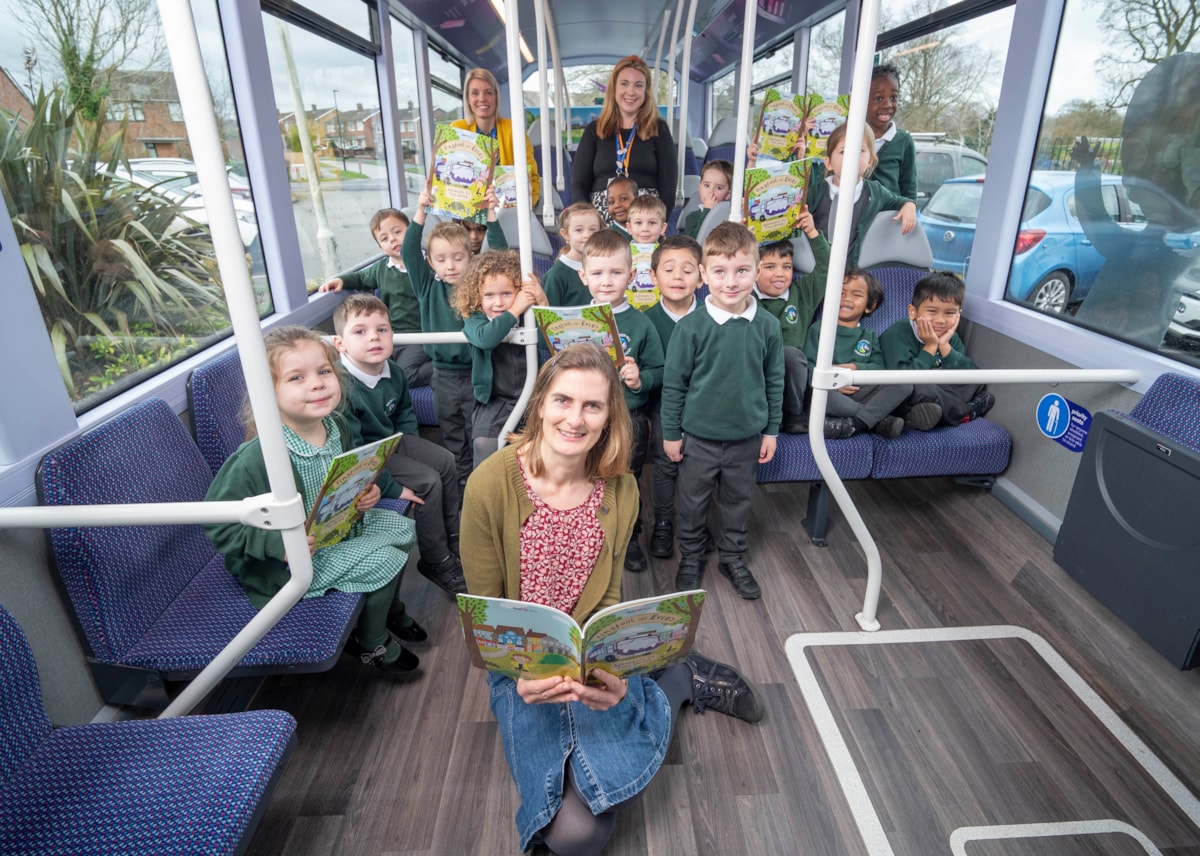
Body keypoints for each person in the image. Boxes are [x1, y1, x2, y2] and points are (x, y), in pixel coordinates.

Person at [460, 343, 765, 856]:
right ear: (539, 404)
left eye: (592, 406)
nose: (574, 419)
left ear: (608, 417)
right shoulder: (489, 485)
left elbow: (609, 597)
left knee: (584, 825)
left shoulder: (621, 488)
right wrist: (523, 678)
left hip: (590, 658)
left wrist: (615, 680)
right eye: (562, 400)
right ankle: (676, 678)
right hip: (524, 663)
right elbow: (489, 613)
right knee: (576, 833)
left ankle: (672, 679)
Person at [204, 326, 421, 675]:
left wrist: (368, 492)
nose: (317, 384)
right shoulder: (257, 456)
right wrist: (280, 545)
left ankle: (387, 609)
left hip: (339, 531)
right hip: (292, 562)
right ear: (267, 392)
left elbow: (349, 474)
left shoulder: (337, 426)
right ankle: (372, 642)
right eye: (296, 378)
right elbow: (218, 522)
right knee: (385, 560)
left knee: (404, 528)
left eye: (323, 372)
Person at [661, 222, 784, 600]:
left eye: (742, 271)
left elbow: (774, 380)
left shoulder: (767, 326)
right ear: (703, 275)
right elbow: (675, 384)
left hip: (746, 438)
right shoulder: (691, 327)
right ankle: (692, 556)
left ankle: (732, 557)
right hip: (698, 438)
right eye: (719, 272)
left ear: (757, 269)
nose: (731, 282)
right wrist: (671, 434)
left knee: (737, 502)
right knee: (693, 503)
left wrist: (772, 431)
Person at [332, 294, 467, 599]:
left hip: (391, 443)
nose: (374, 338)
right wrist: (391, 488)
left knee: (445, 460)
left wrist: (412, 444)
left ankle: (455, 541)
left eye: (382, 329)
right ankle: (436, 560)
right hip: (365, 455)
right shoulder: (342, 388)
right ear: (341, 344)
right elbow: (352, 453)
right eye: (360, 331)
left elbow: (404, 412)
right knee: (428, 481)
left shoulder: (393, 372)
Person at [404, 181, 507, 491]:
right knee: (452, 434)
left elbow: (501, 254)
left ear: (470, 256)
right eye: (441, 259)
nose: (450, 266)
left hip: (477, 371)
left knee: (477, 431)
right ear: (431, 262)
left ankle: (481, 487)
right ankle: (462, 487)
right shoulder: (427, 286)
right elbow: (409, 250)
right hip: (443, 375)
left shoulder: (478, 283)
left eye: (458, 258)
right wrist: (421, 211)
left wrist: (491, 214)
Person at [579, 230, 664, 571]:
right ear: (584, 276)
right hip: (584, 416)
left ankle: (629, 537)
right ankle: (589, 536)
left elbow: (660, 369)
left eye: (616, 273)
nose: (606, 281)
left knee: (626, 478)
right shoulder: (571, 319)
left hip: (628, 415)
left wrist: (641, 378)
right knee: (584, 475)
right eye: (597, 273)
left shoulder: (641, 324)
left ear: (631, 276)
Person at [318, 208, 431, 389]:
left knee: (407, 376)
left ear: (411, 232)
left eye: (397, 232)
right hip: (391, 336)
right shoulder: (380, 269)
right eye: (384, 238)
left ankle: (442, 368)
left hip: (421, 336)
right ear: (380, 247)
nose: (392, 239)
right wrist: (341, 280)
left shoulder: (430, 263)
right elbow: (360, 278)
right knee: (371, 367)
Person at [455, 250, 547, 466]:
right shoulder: (474, 319)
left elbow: (548, 340)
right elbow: (486, 339)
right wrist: (514, 309)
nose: (498, 303)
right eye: (489, 295)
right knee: (485, 444)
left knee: (536, 448)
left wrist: (541, 300)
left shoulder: (528, 315)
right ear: (477, 296)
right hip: (496, 399)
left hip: (533, 394)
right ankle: (483, 491)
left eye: (507, 294)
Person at [801, 269, 915, 439]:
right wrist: (834, 381)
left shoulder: (868, 336)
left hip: (860, 390)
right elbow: (808, 366)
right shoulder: (819, 329)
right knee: (825, 397)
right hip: (830, 392)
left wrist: (855, 368)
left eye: (856, 295)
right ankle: (878, 420)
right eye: (841, 292)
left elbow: (879, 368)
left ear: (870, 305)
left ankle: (855, 424)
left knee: (904, 384)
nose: (846, 298)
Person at [644, 234, 704, 559]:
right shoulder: (647, 321)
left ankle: (696, 523)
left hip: (701, 409)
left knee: (700, 464)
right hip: (662, 409)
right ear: (653, 277)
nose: (678, 277)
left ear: (701, 275)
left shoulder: (711, 319)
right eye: (669, 269)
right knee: (666, 464)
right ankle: (664, 522)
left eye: (687, 269)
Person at [879, 271, 994, 426]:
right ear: (913, 312)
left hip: (938, 387)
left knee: (976, 379)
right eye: (932, 311)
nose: (940, 320)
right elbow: (902, 379)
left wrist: (945, 346)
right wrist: (931, 347)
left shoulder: (949, 336)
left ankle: (921, 415)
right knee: (921, 389)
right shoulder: (897, 334)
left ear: (958, 315)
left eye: (950, 313)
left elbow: (967, 374)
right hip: (905, 388)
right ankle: (965, 412)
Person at [572, 55, 678, 221]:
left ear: (646, 91)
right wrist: (587, 221)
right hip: (601, 217)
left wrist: (657, 222)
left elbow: (668, 186)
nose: (630, 92)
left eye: (638, 85)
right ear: (614, 88)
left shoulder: (659, 129)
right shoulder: (595, 130)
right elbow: (579, 184)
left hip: (645, 218)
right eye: (624, 84)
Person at [754, 208, 831, 435]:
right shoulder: (746, 296)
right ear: (753, 270)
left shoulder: (803, 292)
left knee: (790, 354)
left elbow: (828, 267)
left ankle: (794, 415)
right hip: (758, 371)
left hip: (793, 378)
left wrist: (811, 232)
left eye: (786, 267)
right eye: (770, 267)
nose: (780, 274)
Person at [805, 122, 916, 267]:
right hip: (818, 271)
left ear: (870, 160)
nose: (851, 156)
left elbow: (899, 201)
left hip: (854, 275)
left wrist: (909, 205)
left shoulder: (876, 192)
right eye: (843, 152)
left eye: (860, 150)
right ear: (828, 162)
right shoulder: (816, 192)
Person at [451, 68, 541, 206]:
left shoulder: (513, 129)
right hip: (469, 217)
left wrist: (525, 206)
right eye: (475, 93)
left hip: (508, 212)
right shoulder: (457, 130)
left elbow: (532, 178)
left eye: (488, 92)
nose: (482, 98)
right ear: (468, 99)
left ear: (496, 97)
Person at [866, 64, 917, 200]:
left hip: (888, 218)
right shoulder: (850, 137)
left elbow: (909, 191)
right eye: (878, 98)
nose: (887, 104)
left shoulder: (904, 141)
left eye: (893, 98)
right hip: (853, 218)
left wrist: (909, 205)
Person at [542, 203, 603, 306]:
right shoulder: (556, 275)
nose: (587, 235)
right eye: (579, 230)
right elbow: (549, 314)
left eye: (593, 230)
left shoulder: (605, 265)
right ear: (566, 234)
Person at [625, 193, 669, 310]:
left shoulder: (667, 253)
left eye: (652, 223)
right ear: (629, 228)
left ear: (662, 228)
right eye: (639, 223)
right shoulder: (622, 252)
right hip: (629, 307)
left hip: (659, 308)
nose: (645, 229)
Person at [681, 159, 733, 239]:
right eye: (706, 185)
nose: (710, 191)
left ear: (727, 194)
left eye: (718, 188)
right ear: (699, 188)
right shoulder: (692, 217)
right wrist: (707, 210)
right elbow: (695, 242)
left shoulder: (731, 215)